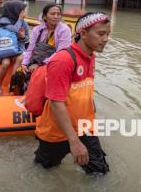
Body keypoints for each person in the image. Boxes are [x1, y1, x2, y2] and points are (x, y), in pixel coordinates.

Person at [34, 12, 111, 174]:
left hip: (84, 127)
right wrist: (74, 141)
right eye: (101, 34)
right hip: (56, 132)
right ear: (83, 33)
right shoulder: (63, 60)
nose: (106, 39)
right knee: (44, 171)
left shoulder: (91, 56)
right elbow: (56, 102)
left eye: (108, 34)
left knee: (99, 173)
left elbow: (84, 88)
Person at [22, 4, 72, 74]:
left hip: (56, 61)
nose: (56, 16)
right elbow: (31, 48)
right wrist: (24, 63)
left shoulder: (64, 30)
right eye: (52, 14)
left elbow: (60, 52)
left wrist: (40, 64)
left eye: (58, 14)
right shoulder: (37, 29)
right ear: (45, 17)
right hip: (36, 60)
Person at [0, 0, 29, 95]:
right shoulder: (4, 20)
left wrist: (23, 37)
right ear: (15, 11)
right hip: (6, 47)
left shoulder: (24, 23)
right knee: (5, 63)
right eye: (22, 10)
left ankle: (12, 84)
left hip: (18, 48)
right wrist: (20, 20)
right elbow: (14, 30)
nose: (24, 13)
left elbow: (27, 39)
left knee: (20, 58)